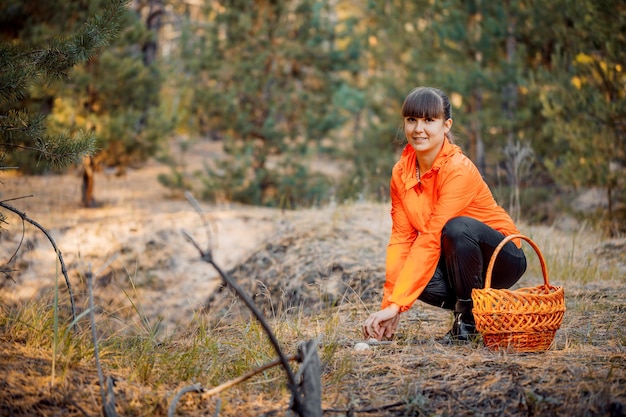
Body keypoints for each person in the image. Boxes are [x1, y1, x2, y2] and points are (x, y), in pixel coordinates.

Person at [362, 86, 527, 343]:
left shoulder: (458, 169)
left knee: (457, 228)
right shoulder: (400, 173)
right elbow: (402, 240)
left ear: (446, 125)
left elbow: (431, 236)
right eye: (412, 120)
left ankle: (469, 324)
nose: (419, 129)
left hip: (502, 257)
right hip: (457, 265)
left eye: (429, 120)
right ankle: (472, 312)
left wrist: (397, 305)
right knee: (411, 268)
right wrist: (392, 305)